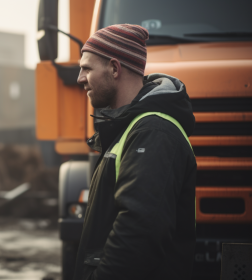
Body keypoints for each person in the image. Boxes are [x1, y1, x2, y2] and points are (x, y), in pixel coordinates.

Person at [73, 24, 196, 280]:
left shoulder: (154, 132)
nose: (80, 78)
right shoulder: (130, 128)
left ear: (114, 69)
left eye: (86, 68)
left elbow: (139, 232)